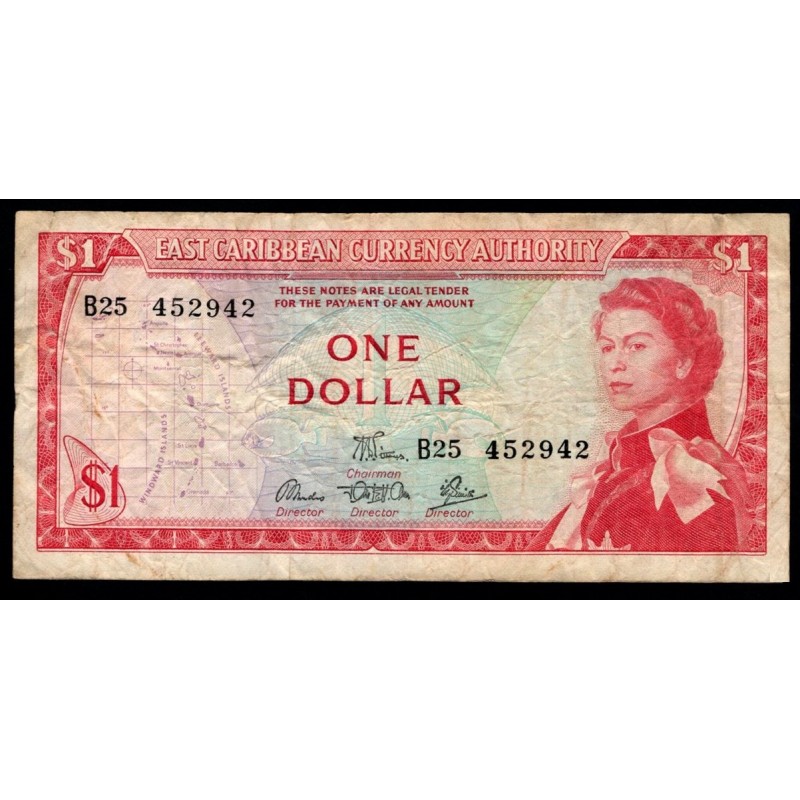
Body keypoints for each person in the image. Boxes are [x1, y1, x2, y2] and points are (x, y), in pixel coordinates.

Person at [535, 277, 752, 552]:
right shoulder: (618, 470)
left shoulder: (691, 478)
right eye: (607, 347)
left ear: (683, 361)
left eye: (637, 346)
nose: (615, 364)